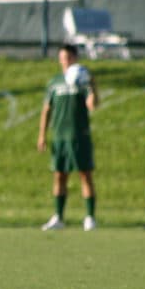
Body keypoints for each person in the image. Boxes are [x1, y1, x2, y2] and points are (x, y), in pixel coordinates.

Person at [37, 44, 99, 231]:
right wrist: (42, 135)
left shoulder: (82, 80)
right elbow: (47, 110)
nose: (65, 61)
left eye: (68, 57)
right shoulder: (54, 82)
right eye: (62, 58)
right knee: (59, 176)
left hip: (79, 135)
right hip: (60, 136)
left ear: (75, 58)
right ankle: (59, 217)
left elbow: (92, 105)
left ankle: (89, 218)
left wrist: (93, 86)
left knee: (85, 174)